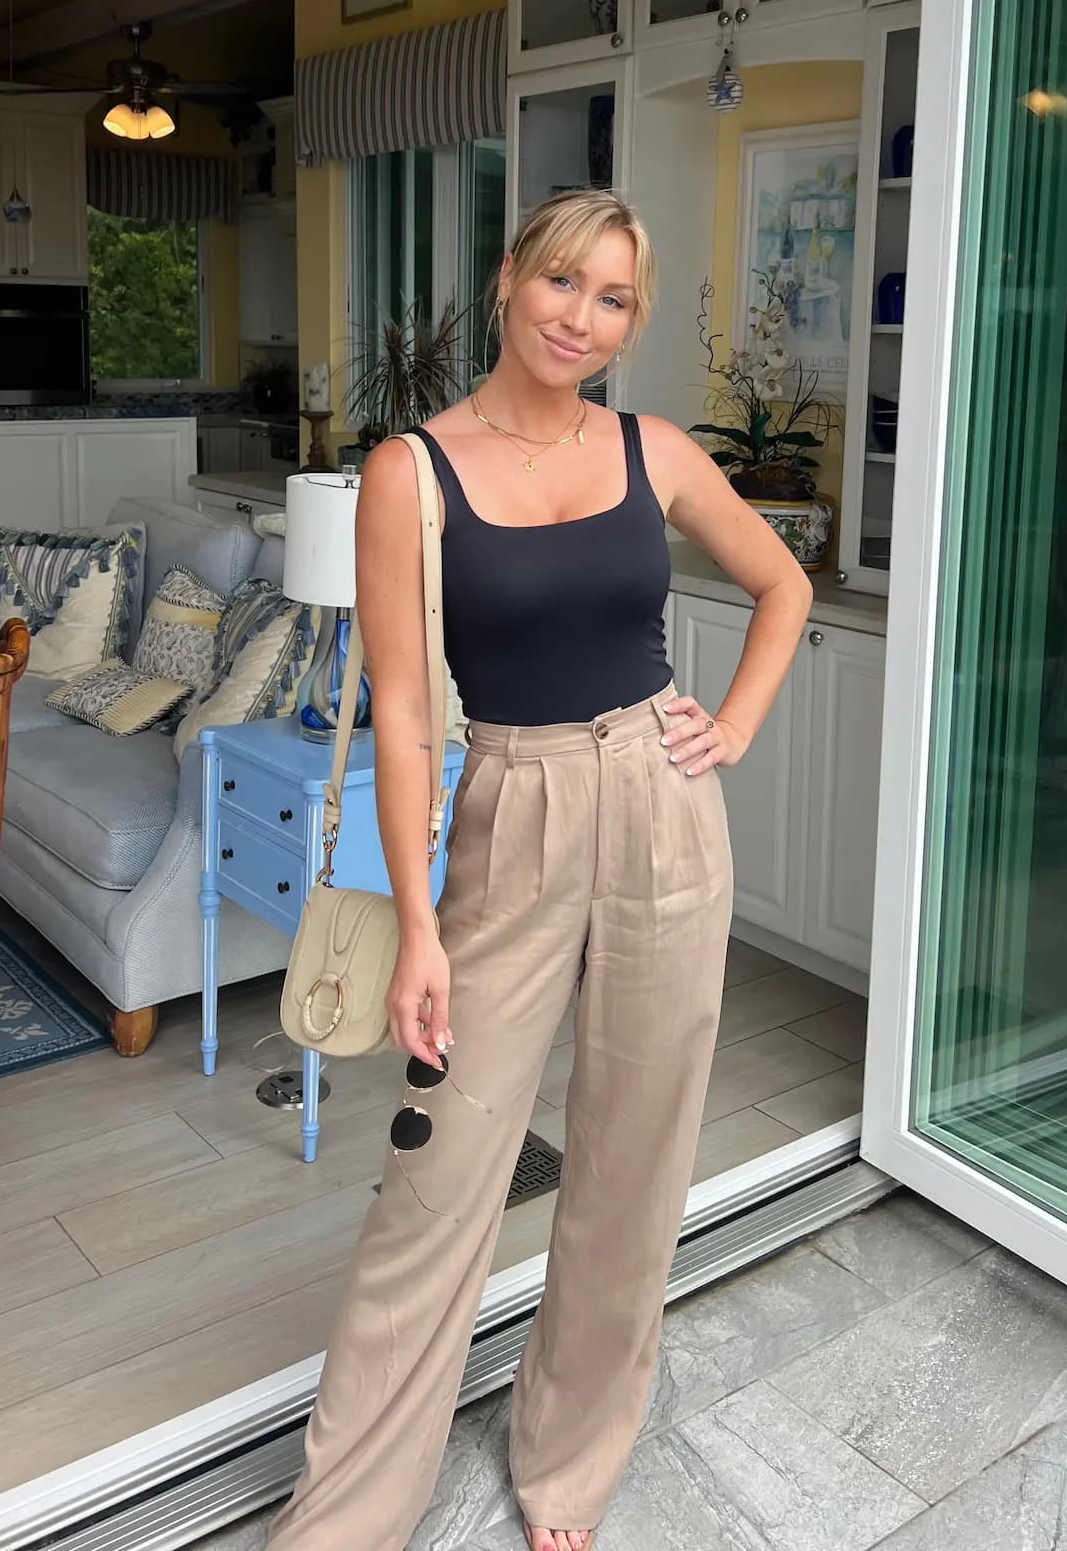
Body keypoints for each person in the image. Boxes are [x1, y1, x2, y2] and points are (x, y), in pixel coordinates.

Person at [267, 189, 813, 1551]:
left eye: (614, 298)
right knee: (440, 1175)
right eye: (565, 282)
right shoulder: (413, 470)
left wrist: (731, 724)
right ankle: (347, 1514)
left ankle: (567, 1461)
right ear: (511, 279)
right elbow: (403, 711)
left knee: (634, 1163)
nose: (582, 317)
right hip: (509, 808)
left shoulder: (656, 450)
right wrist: (417, 925)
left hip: (663, 809)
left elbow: (782, 583)